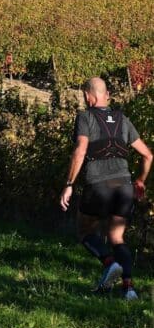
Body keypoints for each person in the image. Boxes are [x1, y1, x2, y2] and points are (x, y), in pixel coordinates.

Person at [60, 77, 153, 300]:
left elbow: (81, 150)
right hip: (124, 187)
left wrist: (69, 185)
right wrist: (140, 181)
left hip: (98, 185)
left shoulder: (85, 117)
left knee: (85, 231)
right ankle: (129, 289)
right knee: (117, 237)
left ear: (87, 96)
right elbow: (148, 155)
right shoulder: (123, 119)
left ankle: (109, 263)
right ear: (107, 95)